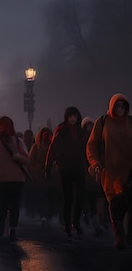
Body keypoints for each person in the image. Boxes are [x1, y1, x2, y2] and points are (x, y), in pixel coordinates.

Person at [86, 94, 132, 248]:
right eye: (117, 106)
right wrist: (96, 163)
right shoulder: (103, 122)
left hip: (129, 171)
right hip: (110, 173)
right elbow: (92, 145)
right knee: (116, 207)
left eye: (123, 106)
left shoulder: (130, 122)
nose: (120, 109)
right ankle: (120, 237)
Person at [45, 107, 87, 237]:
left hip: (79, 166)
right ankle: (68, 223)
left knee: (80, 196)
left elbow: (87, 149)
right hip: (65, 167)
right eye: (70, 116)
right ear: (66, 117)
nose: (72, 119)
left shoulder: (81, 131)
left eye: (74, 116)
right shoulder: (61, 130)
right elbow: (52, 149)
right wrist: (48, 168)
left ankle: (76, 221)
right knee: (68, 197)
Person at [28, 127, 56, 227]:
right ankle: (43, 215)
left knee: (50, 197)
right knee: (42, 197)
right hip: (39, 176)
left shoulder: (53, 146)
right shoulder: (36, 147)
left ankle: (50, 215)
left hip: (50, 176)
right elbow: (30, 160)